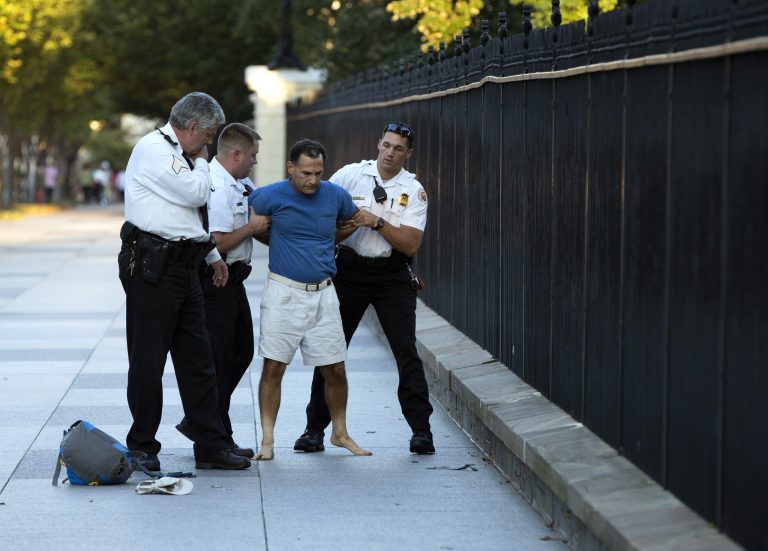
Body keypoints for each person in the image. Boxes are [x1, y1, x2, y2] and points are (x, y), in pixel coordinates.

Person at [118, 91, 250, 471]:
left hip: (185, 265)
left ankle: (210, 445)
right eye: (208, 135)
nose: (210, 142)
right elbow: (195, 193)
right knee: (148, 361)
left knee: (199, 360)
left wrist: (210, 254)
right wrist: (205, 163)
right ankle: (142, 445)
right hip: (152, 267)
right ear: (191, 127)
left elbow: (186, 217)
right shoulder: (155, 150)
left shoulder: (182, 156)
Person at [293, 122, 435, 455]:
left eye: (398, 148)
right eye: (386, 145)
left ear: (408, 154)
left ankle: (421, 430)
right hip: (349, 271)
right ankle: (314, 428)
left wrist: (378, 222)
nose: (390, 153)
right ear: (378, 145)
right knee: (330, 350)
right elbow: (323, 222)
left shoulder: (413, 190)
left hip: (391, 276)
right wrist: (350, 225)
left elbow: (410, 244)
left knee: (406, 351)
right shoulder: (350, 176)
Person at [248, 139, 373, 460]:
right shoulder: (268, 195)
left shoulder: (335, 195)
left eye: (318, 173)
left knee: (335, 368)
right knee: (273, 366)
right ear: (291, 168)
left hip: (324, 292)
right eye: (305, 173)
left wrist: (337, 235)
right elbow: (249, 224)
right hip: (283, 292)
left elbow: (350, 221)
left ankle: (340, 433)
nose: (312, 180)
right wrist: (274, 239)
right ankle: (268, 440)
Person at [175, 123, 270, 458]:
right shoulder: (216, 185)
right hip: (215, 279)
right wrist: (251, 228)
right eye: (253, 155)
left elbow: (261, 205)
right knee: (218, 359)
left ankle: (208, 426)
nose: (255, 162)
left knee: (240, 352)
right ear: (236, 154)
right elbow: (213, 240)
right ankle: (209, 440)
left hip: (234, 279)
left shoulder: (239, 182)